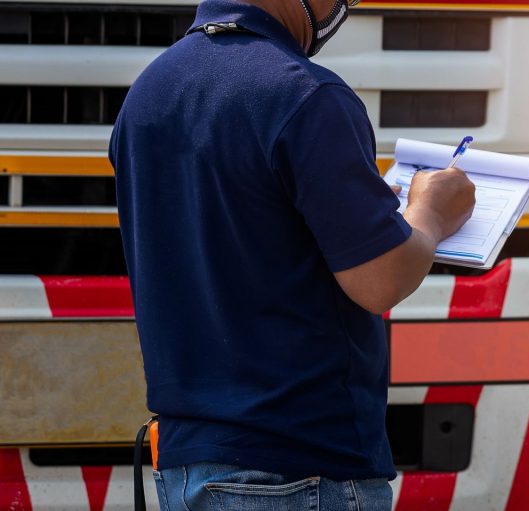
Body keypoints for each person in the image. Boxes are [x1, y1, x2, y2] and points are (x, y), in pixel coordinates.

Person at [108, 0, 476, 508]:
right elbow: (381, 279)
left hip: (186, 462)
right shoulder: (307, 94)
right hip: (301, 469)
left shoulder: (149, 92)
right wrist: (432, 211)